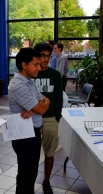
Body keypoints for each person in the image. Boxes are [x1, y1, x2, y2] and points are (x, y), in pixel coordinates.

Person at [8, 47, 50, 194]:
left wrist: (41, 102)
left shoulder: (29, 82)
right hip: (25, 136)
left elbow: (44, 100)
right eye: (36, 64)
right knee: (26, 175)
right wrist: (39, 105)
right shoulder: (19, 85)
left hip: (31, 134)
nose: (40, 67)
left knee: (30, 173)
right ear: (24, 64)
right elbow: (42, 108)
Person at [33, 42, 63, 194]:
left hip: (50, 118)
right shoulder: (32, 74)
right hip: (32, 119)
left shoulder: (55, 75)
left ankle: (46, 181)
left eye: (48, 56)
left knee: (50, 152)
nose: (45, 59)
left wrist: (57, 116)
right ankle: (30, 181)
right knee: (32, 153)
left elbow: (59, 98)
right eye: (42, 56)